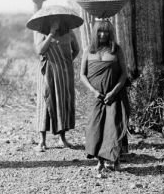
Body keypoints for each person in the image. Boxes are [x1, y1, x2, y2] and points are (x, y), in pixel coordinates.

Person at [80, 19, 129, 174]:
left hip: (114, 94)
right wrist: (94, 92)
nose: (103, 34)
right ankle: (100, 161)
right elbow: (82, 75)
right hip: (96, 96)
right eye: (100, 31)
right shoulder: (88, 50)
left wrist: (113, 92)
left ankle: (115, 160)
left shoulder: (116, 50)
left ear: (110, 33)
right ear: (95, 33)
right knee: (96, 127)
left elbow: (124, 74)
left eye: (106, 32)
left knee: (113, 126)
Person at [34, 19, 80, 151]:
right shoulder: (41, 32)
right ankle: (42, 141)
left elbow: (76, 49)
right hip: (46, 72)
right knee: (44, 103)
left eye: (58, 19)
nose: (55, 22)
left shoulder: (69, 32)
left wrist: (66, 62)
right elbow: (40, 50)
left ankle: (62, 138)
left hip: (63, 73)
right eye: (52, 20)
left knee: (62, 102)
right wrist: (51, 34)